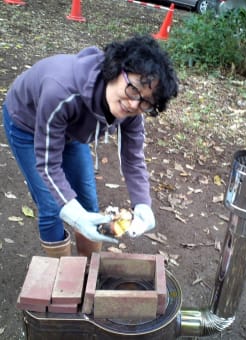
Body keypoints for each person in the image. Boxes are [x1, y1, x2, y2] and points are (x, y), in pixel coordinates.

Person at [2, 35, 178, 258]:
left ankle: (89, 270)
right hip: (27, 124)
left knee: (87, 203)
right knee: (52, 206)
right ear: (115, 69)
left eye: (146, 101)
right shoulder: (61, 91)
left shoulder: (133, 110)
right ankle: (63, 277)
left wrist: (142, 204)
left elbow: (133, 159)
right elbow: (48, 164)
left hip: (70, 132)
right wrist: (74, 215)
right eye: (133, 89)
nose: (134, 103)